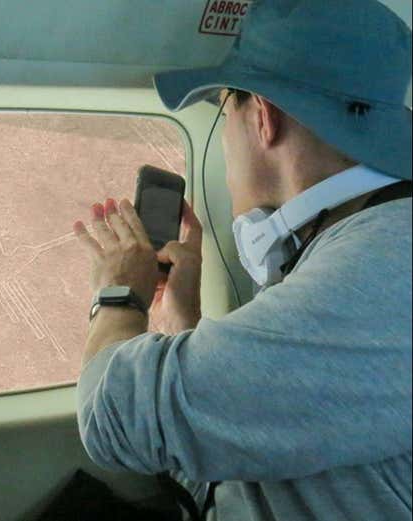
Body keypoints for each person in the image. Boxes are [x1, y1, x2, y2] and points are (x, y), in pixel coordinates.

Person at [72, 1, 412, 520]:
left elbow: (113, 417)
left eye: (226, 106)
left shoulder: (383, 269)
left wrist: (119, 292)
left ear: (262, 117)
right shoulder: (360, 245)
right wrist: (183, 328)